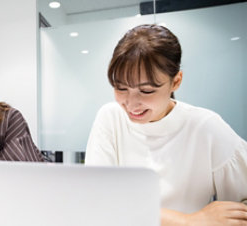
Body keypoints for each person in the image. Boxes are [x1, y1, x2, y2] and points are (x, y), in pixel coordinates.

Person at [85, 24, 247, 225]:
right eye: (121, 88)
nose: (131, 103)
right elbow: (97, 200)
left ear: (176, 81)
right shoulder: (110, 117)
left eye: (146, 91)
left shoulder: (207, 127)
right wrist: (190, 221)